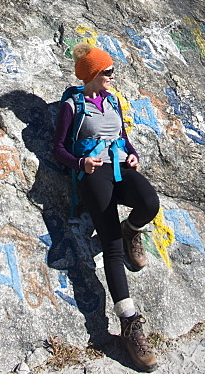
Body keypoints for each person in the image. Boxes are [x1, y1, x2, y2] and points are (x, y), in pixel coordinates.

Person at [53, 42, 160, 371]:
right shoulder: (74, 105)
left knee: (149, 203)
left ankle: (132, 230)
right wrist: (80, 162)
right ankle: (129, 324)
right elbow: (58, 148)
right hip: (94, 175)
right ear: (93, 74)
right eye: (107, 71)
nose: (113, 75)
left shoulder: (113, 100)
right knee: (111, 246)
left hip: (119, 166)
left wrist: (133, 154)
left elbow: (123, 137)